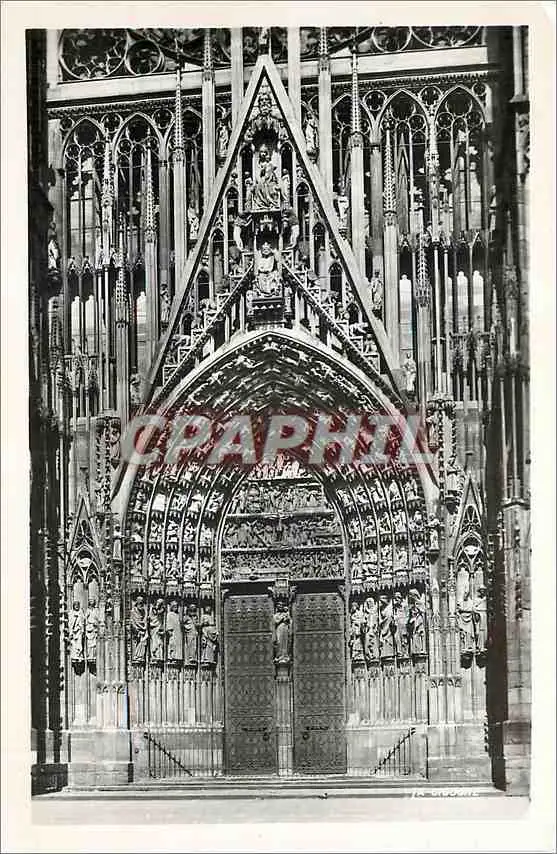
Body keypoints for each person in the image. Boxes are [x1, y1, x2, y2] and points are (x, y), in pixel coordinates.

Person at [130, 595, 148, 665]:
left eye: (142, 603)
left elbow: (145, 621)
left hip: (143, 631)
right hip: (136, 632)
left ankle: (140, 656)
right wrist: (138, 630)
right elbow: (133, 622)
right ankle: (137, 656)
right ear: (137, 603)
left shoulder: (143, 612)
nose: (141, 605)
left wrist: (144, 626)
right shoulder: (133, 612)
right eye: (140, 603)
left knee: (143, 642)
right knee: (139, 642)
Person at [84, 597, 100, 663]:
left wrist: (96, 622)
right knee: (90, 643)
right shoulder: (88, 610)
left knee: (94, 644)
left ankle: (94, 656)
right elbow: (85, 619)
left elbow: (99, 618)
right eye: (90, 601)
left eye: (92, 601)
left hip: (95, 628)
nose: (91, 602)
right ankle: (89, 656)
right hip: (89, 628)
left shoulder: (96, 610)